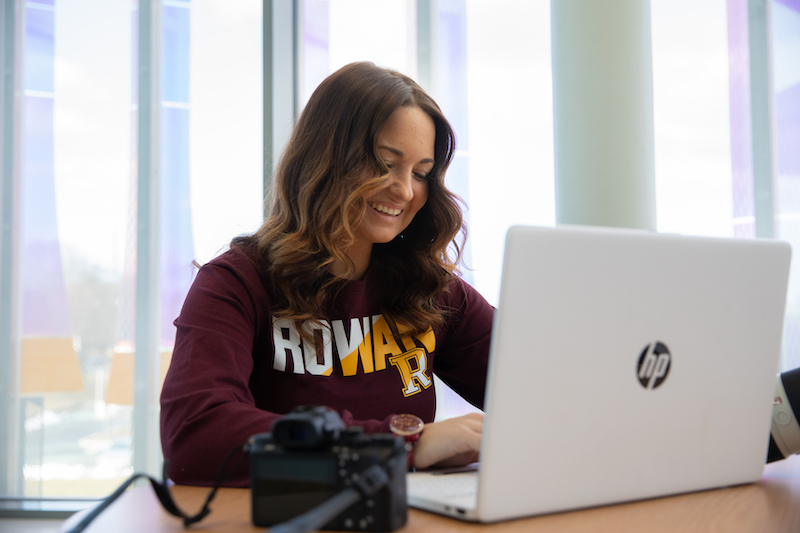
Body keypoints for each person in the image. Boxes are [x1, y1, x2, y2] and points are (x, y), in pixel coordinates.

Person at [160, 61, 494, 487]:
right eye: (385, 163)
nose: (406, 190)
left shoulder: (431, 290)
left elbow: (543, 389)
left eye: (421, 173)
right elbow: (195, 437)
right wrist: (401, 444)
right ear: (326, 158)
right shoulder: (236, 283)